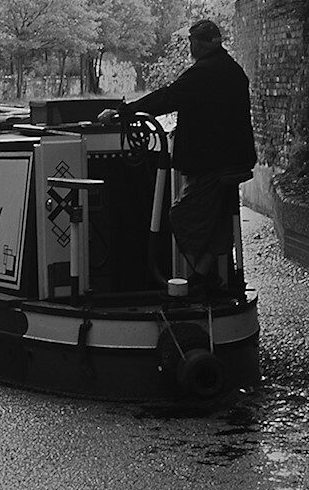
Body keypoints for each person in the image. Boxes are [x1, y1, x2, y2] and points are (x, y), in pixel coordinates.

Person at [99, 19, 256, 293]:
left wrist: (125, 112)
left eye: (192, 41)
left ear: (201, 44)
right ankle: (210, 275)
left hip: (211, 165)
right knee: (219, 218)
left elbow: (166, 98)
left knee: (181, 217)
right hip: (236, 159)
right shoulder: (234, 71)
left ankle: (203, 280)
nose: (189, 46)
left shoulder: (203, 73)